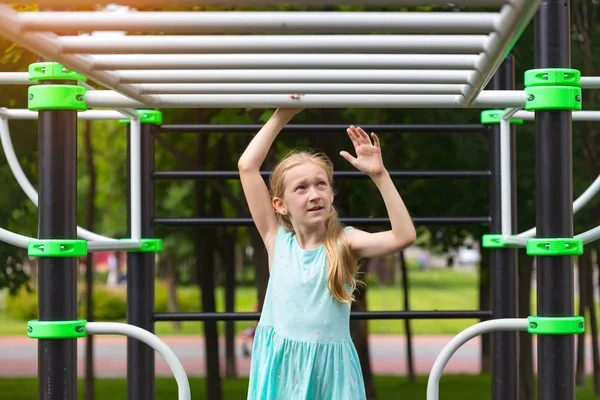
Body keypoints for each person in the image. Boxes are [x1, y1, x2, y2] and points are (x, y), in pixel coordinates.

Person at [238, 105, 416, 400]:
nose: (314, 194)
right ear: (280, 204)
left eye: (321, 184)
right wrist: (282, 115)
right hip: (281, 370)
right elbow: (247, 166)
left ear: (332, 194)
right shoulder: (277, 240)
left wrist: (379, 175)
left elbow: (404, 236)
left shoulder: (345, 242)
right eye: (302, 188)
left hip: (331, 374)